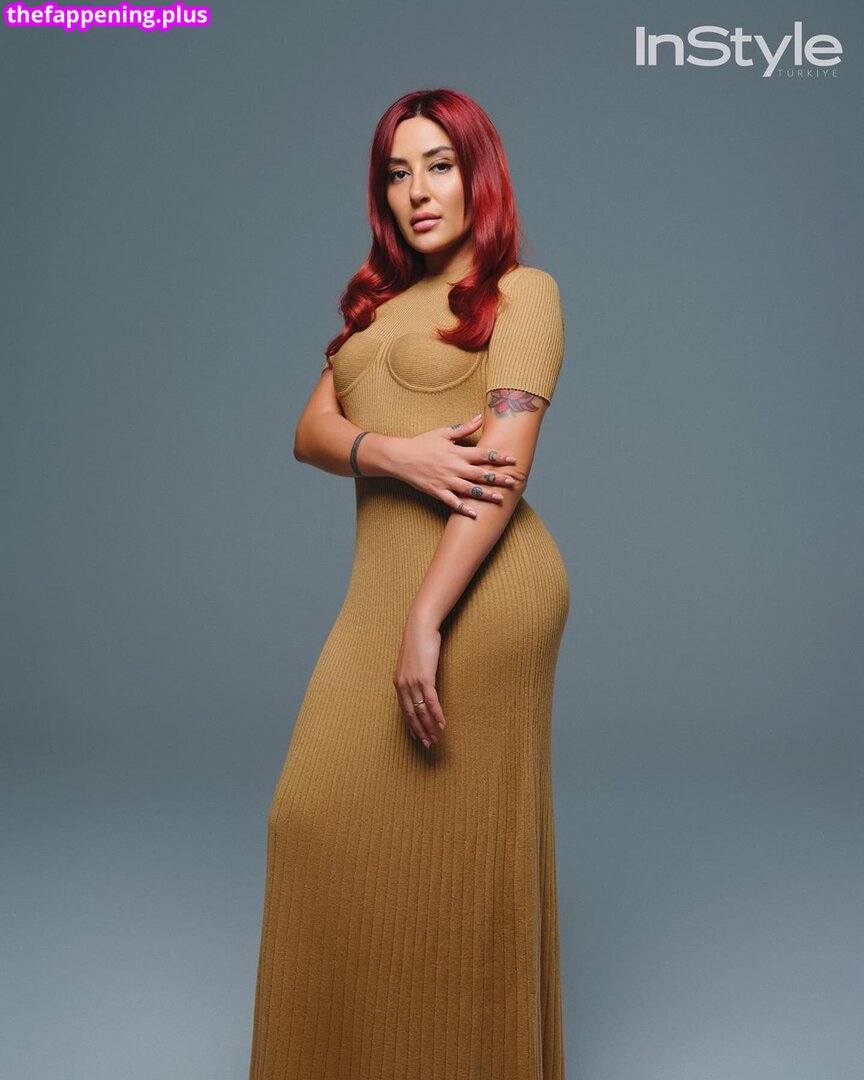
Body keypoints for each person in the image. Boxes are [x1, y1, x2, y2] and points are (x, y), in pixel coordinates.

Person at [248, 86, 570, 1080]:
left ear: (480, 175)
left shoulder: (521, 294)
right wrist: (397, 454)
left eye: (440, 165)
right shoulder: (374, 308)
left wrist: (428, 618)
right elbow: (310, 432)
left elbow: (504, 465)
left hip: (482, 587)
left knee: (458, 858)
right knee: (309, 819)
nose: (419, 191)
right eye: (398, 173)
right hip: (379, 588)